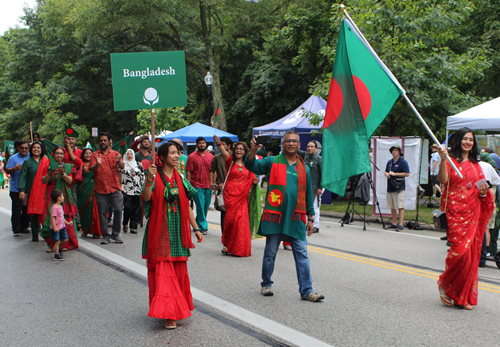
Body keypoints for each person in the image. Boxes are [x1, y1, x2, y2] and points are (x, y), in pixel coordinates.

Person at [245, 131, 323, 302]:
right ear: (283, 144)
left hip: (296, 218)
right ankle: (266, 284)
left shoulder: (305, 168)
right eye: (287, 141)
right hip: (276, 217)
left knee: (302, 254)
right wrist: (252, 150)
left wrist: (310, 218)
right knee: (270, 252)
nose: (291, 143)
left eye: (294, 141)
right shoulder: (272, 162)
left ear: (299, 145)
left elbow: (308, 194)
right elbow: (251, 166)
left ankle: (306, 290)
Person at [142, 141, 204, 329]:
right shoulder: (154, 177)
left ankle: (176, 308)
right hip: (159, 231)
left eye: (178, 153)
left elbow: (186, 204)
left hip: (178, 231)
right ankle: (169, 314)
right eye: (172, 153)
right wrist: (148, 180)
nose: (177, 156)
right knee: (164, 272)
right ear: (161, 157)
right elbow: (145, 199)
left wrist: (196, 228)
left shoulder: (181, 179)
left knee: (177, 271)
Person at [436, 127, 494, 310]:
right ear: (459, 140)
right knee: (459, 253)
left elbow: (481, 190)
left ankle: (462, 296)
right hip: (455, 213)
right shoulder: (451, 161)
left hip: (473, 212)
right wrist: (444, 159)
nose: (468, 142)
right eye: (465, 139)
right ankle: (444, 285)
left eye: (471, 139)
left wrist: (484, 194)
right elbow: (444, 181)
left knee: (470, 257)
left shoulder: (477, 165)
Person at [214, 136, 258, 257]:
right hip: (230, 196)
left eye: (241, 149)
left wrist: (255, 181)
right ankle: (227, 245)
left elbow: (252, 178)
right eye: (237, 148)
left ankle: (238, 248)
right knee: (230, 221)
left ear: (245, 151)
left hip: (242, 197)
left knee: (240, 221)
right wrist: (218, 143)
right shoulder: (230, 161)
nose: (239, 150)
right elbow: (223, 151)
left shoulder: (249, 165)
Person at [40, 147, 79, 251]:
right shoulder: (48, 165)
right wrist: (49, 173)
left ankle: (64, 244)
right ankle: (51, 244)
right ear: (53, 155)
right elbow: (43, 181)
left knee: (64, 219)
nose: (59, 155)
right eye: (57, 153)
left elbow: (70, 181)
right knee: (50, 221)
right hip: (51, 197)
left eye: (61, 153)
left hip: (64, 197)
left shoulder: (68, 166)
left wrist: (63, 174)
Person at [90, 133, 125, 244]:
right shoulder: (94, 155)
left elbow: (123, 167)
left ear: (109, 142)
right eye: (101, 140)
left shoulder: (115, 154)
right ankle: (105, 235)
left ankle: (115, 234)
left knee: (118, 210)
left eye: (105, 140)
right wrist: (98, 164)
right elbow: (92, 170)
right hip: (100, 189)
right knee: (102, 213)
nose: (102, 142)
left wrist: (119, 161)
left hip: (115, 188)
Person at [18, 142, 46, 241]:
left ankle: (47, 234)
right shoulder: (27, 162)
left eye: (38, 147)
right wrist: (21, 190)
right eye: (34, 147)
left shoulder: (46, 161)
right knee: (34, 213)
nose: (36, 149)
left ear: (42, 149)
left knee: (46, 212)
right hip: (32, 192)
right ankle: (35, 233)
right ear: (31, 149)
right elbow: (23, 176)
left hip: (45, 192)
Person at [186, 137, 214, 235]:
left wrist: (214, 183)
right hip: (196, 185)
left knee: (205, 206)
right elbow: (188, 171)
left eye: (203, 143)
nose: (202, 144)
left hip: (208, 185)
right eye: (200, 143)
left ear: (206, 144)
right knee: (200, 206)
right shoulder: (192, 156)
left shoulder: (211, 157)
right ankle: (203, 227)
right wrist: (188, 185)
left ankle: (198, 222)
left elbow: (213, 171)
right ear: (196, 144)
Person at [478, 152, 500, 267]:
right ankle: (485, 253)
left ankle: (483, 254)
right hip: (491, 205)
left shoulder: (479, 167)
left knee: (483, 229)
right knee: (486, 229)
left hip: (483, 204)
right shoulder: (491, 169)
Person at [5, 140, 30, 236]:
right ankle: (16, 227)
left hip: (27, 188)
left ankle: (24, 226)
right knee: (16, 209)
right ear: (18, 148)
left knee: (26, 208)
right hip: (15, 189)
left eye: (26, 148)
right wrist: (14, 169)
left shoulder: (31, 157)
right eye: (22, 148)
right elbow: (7, 170)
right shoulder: (13, 158)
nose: (24, 149)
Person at [76, 148, 101, 238]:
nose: (88, 155)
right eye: (86, 153)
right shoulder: (80, 164)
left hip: (94, 188)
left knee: (93, 209)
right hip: (83, 189)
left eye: (90, 153)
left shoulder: (96, 163)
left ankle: (95, 230)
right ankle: (85, 229)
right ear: (82, 155)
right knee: (84, 209)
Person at [210, 136, 233, 234]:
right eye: (220, 144)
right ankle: (225, 237)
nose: (222, 146)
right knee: (224, 212)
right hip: (222, 189)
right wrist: (212, 182)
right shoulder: (217, 157)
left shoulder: (235, 157)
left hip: (234, 188)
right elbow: (212, 170)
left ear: (229, 145)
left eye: (223, 144)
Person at [384, 145, 410, 231]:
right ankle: (394, 223)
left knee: (400, 206)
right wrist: (386, 174)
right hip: (390, 186)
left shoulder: (403, 162)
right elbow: (386, 171)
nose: (394, 152)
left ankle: (401, 224)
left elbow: (407, 173)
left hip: (399, 187)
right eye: (393, 151)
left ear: (399, 152)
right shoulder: (389, 162)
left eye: (396, 150)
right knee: (392, 206)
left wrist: (395, 174)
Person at [121, 149, 145, 234]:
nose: (130, 155)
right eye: (128, 154)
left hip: (136, 189)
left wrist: (142, 186)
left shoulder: (138, 164)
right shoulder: (123, 165)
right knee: (127, 208)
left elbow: (142, 175)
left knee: (135, 209)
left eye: (131, 153)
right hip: (126, 189)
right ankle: (125, 224)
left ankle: (133, 227)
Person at [304, 141, 322, 233]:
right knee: (306, 205)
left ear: (316, 148)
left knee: (314, 206)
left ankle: (316, 225)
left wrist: (320, 187)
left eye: (312, 146)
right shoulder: (305, 157)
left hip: (315, 187)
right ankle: (308, 224)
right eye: (308, 146)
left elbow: (323, 174)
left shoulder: (319, 159)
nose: (310, 148)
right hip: (305, 186)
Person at [50, 190, 71, 261]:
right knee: (57, 241)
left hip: (62, 227)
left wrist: (67, 222)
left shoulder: (61, 206)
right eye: (62, 196)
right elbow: (53, 217)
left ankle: (58, 248)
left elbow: (62, 216)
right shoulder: (54, 207)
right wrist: (54, 226)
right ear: (58, 198)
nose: (63, 197)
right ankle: (56, 254)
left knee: (65, 239)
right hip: (56, 228)